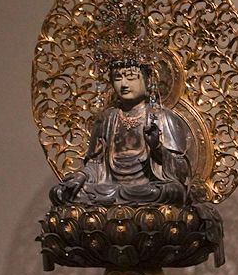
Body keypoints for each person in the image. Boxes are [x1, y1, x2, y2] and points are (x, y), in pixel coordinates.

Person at [50, 58, 195, 206]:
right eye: (117, 78)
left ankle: (112, 201)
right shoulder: (106, 119)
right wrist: (81, 176)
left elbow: (182, 171)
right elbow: (96, 163)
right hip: (109, 187)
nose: (124, 84)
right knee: (59, 193)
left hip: (149, 188)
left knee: (173, 192)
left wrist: (157, 147)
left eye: (131, 78)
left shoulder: (162, 117)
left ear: (148, 81)